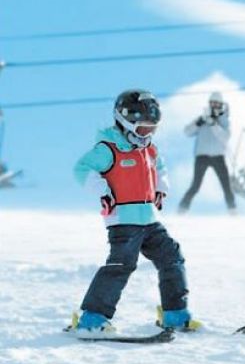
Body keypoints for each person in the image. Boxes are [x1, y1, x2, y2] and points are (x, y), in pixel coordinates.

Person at [70, 89, 201, 334]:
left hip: (150, 219)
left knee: (171, 258)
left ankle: (174, 314)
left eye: (153, 129)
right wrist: (102, 191)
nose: (148, 134)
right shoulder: (108, 148)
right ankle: (92, 319)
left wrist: (161, 187)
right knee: (121, 265)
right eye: (143, 129)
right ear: (124, 121)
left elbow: (159, 168)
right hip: (124, 222)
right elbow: (82, 169)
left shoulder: (149, 149)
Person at [178, 91, 236, 213]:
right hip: (202, 156)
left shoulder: (224, 120)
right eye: (212, 103)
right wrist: (199, 123)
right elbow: (187, 132)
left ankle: (233, 211)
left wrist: (214, 124)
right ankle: (182, 209)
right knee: (195, 186)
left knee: (226, 185)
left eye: (217, 103)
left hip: (218, 157)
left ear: (221, 105)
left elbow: (225, 137)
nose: (214, 105)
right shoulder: (202, 118)